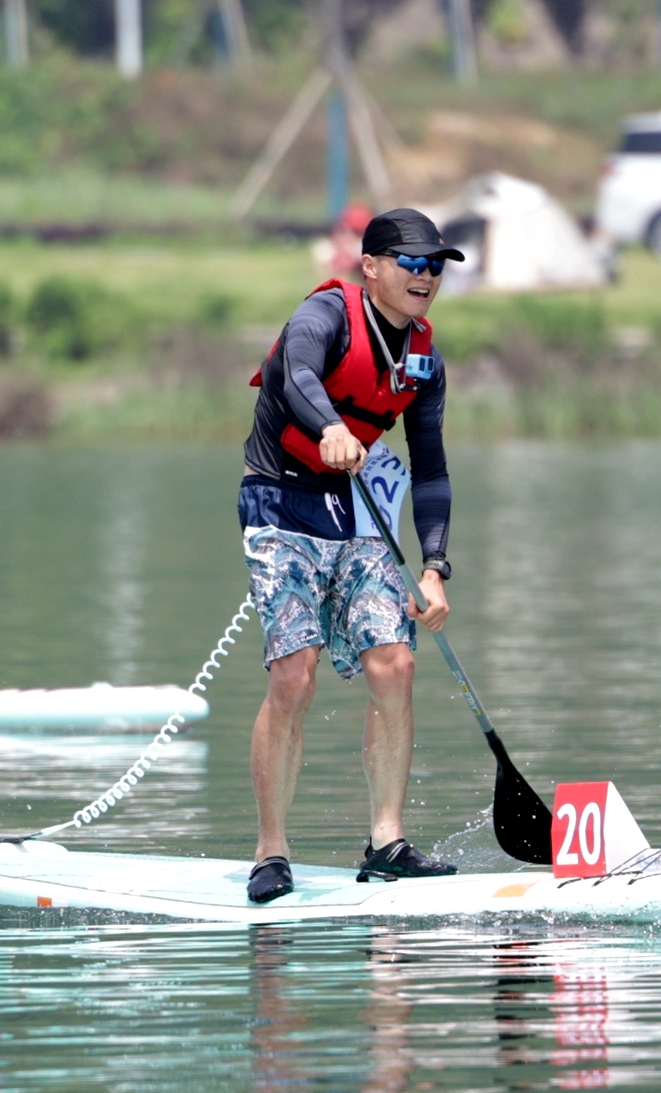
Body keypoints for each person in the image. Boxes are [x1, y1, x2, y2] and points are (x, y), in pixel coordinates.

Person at [239, 207, 463, 904]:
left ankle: (388, 840)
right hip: (279, 499)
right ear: (371, 267)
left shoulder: (424, 357)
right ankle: (270, 850)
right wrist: (330, 427)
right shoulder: (326, 315)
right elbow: (295, 377)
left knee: (394, 662)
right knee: (294, 676)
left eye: (436, 266)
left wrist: (433, 566)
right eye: (413, 263)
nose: (426, 277)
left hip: (357, 504)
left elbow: (430, 471)